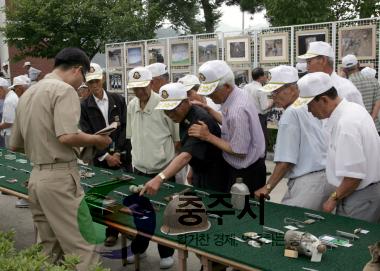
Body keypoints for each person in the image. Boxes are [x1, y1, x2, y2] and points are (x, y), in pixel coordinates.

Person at [10, 48, 112, 270]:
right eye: (83, 79)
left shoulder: (28, 92)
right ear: (78, 70)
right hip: (60, 179)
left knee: (48, 249)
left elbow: (14, 144)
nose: (82, 85)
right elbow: (66, 136)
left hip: (37, 178)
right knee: (84, 247)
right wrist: (96, 140)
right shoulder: (64, 90)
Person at [297, 72, 380, 223]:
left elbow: (354, 176)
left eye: (309, 105)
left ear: (323, 99)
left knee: (353, 242)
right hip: (361, 193)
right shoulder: (352, 109)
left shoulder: (346, 124)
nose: (309, 111)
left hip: (359, 196)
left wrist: (333, 199)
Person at [254, 66, 334, 211]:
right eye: (272, 92)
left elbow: (285, 162)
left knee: (289, 225)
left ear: (292, 88)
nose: (273, 96)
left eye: (276, 91)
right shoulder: (308, 105)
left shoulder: (290, 114)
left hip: (308, 183)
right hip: (326, 177)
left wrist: (268, 187)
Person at [126, 66, 178, 268]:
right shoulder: (131, 105)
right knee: (141, 214)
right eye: (135, 88)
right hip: (139, 168)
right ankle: (139, 248)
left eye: (143, 87)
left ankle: (166, 252)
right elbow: (131, 135)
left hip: (163, 170)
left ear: (151, 83)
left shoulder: (163, 103)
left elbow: (177, 139)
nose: (139, 92)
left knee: (166, 213)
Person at [189, 60, 266, 194]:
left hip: (245, 173)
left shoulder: (237, 110)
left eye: (213, 92)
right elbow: (230, 125)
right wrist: (210, 110)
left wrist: (208, 136)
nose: (208, 96)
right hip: (244, 168)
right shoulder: (237, 94)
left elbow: (239, 151)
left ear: (227, 86)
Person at [141, 82, 227, 195]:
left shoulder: (200, 119)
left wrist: (159, 178)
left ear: (186, 101)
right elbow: (194, 147)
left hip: (214, 175)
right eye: (166, 110)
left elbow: (186, 155)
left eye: (173, 108)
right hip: (199, 170)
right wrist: (192, 170)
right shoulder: (184, 115)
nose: (170, 114)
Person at [80, 62, 132, 247]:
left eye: (97, 80)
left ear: (103, 78)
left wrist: (117, 152)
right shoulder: (84, 106)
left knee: (126, 193)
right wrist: (105, 155)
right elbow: (87, 134)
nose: (94, 85)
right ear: (87, 84)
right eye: (90, 82)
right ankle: (112, 232)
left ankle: (129, 230)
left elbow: (125, 128)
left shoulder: (118, 99)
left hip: (122, 155)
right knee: (106, 196)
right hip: (101, 159)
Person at [298, 41, 364, 106]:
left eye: (309, 62)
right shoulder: (310, 88)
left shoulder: (346, 89)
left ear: (323, 60)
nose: (307, 68)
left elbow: (359, 115)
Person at [342, 54, 380, 133]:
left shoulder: (345, 85)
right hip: (374, 127)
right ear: (358, 65)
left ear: (344, 70)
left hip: (356, 128)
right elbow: (377, 103)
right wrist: (370, 120)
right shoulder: (373, 80)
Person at [243, 67, 272, 155]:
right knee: (262, 141)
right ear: (261, 77)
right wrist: (273, 101)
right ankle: (261, 160)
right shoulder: (261, 89)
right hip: (259, 118)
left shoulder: (246, 87)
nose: (265, 77)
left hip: (248, 116)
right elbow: (264, 107)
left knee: (251, 140)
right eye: (264, 75)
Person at [0, 78, 18, 148]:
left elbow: (9, 122)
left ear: (1, 89)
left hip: (11, 134)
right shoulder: (12, 96)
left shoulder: (9, 101)